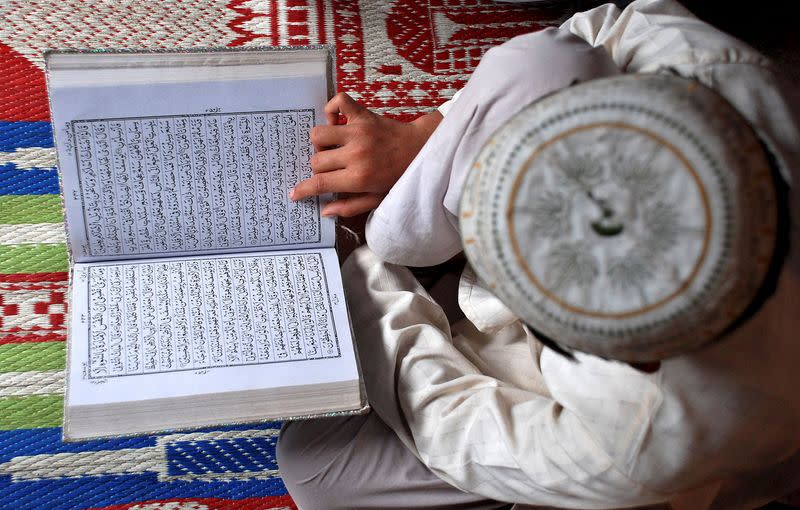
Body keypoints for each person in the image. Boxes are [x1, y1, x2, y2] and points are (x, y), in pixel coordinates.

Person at [278, 1, 800, 508]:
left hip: (614, 425)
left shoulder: (643, 438)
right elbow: (593, 32)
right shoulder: (714, 73)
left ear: (634, 356)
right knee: (542, 63)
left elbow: (453, 424)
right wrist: (424, 137)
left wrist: (360, 265)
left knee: (318, 466)